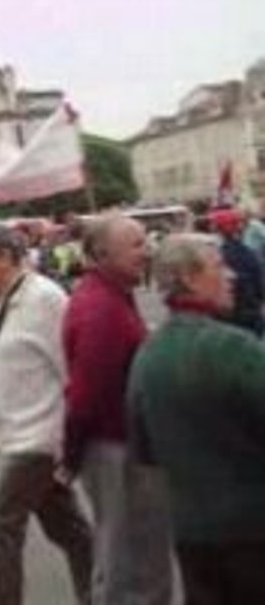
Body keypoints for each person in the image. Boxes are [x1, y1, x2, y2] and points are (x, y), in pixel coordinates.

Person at [128, 234, 265, 603]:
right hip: (252, 528)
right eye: (219, 266)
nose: (232, 275)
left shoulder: (148, 354)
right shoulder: (235, 347)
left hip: (192, 532)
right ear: (189, 277)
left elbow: (144, 449)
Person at [0, 226, 92, 605]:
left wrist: (68, 442)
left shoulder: (45, 300)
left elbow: (72, 370)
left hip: (39, 440)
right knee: (69, 531)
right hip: (17, 434)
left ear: (5, 257)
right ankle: (98, 593)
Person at [63, 215, 174, 605]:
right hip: (116, 446)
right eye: (137, 245)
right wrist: (72, 453)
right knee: (131, 559)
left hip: (122, 442)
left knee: (133, 553)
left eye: (146, 242)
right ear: (101, 253)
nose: (147, 252)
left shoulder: (110, 296)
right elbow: (87, 392)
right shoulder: (101, 309)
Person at [208, 208, 265, 336]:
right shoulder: (249, 254)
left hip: (226, 319)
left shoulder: (215, 255)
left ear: (217, 229)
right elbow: (260, 287)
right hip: (251, 316)